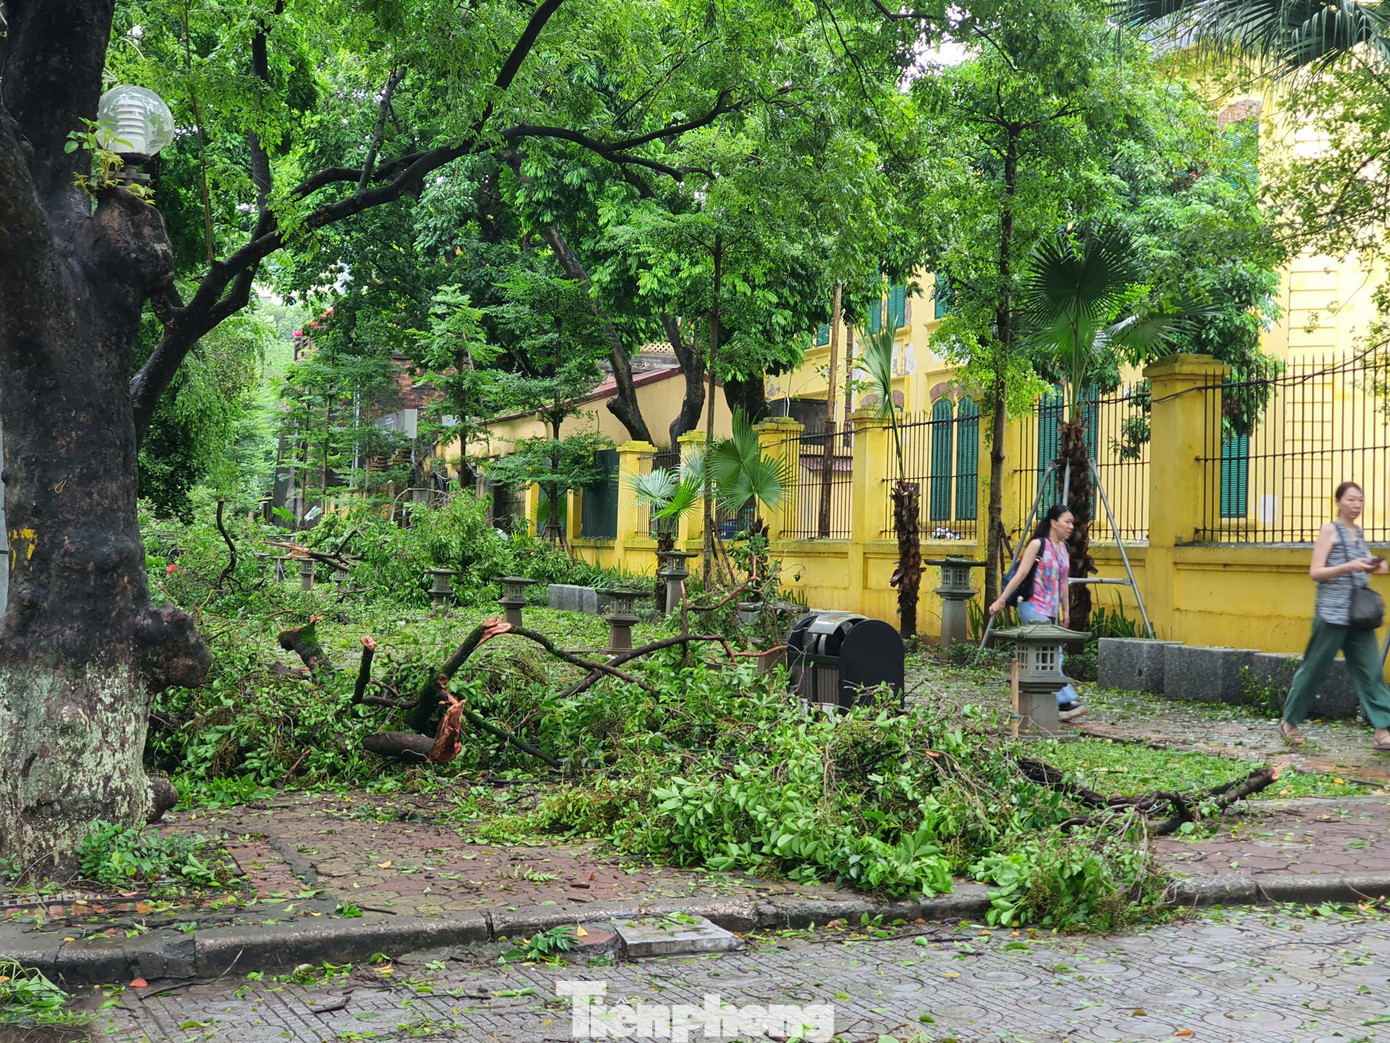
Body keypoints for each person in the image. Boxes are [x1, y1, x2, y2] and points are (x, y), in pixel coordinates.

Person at [1280, 481, 1390, 750]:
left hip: (1358, 617)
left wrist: (1375, 566)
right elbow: (1316, 572)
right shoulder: (1330, 530)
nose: (1357, 505)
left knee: (1372, 671)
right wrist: (1348, 566)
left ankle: (1382, 730)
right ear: (1339, 502)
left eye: (1361, 500)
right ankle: (1289, 722)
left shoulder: (1359, 533)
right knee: (1314, 670)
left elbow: (1361, 566)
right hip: (1331, 614)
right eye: (1351, 499)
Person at [988, 504, 1084, 721]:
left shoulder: (1064, 548)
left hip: (1050, 611)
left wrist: (1066, 610)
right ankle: (1066, 700)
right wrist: (1001, 600)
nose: (1071, 526)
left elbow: (1062, 582)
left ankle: (1024, 700)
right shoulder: (1037, 545)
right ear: (1053, 522)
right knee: (1052, 654)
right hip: (1031, 606)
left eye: (1072, 522)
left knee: (1042, 657)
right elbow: (1020, 575)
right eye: (1067, 521)